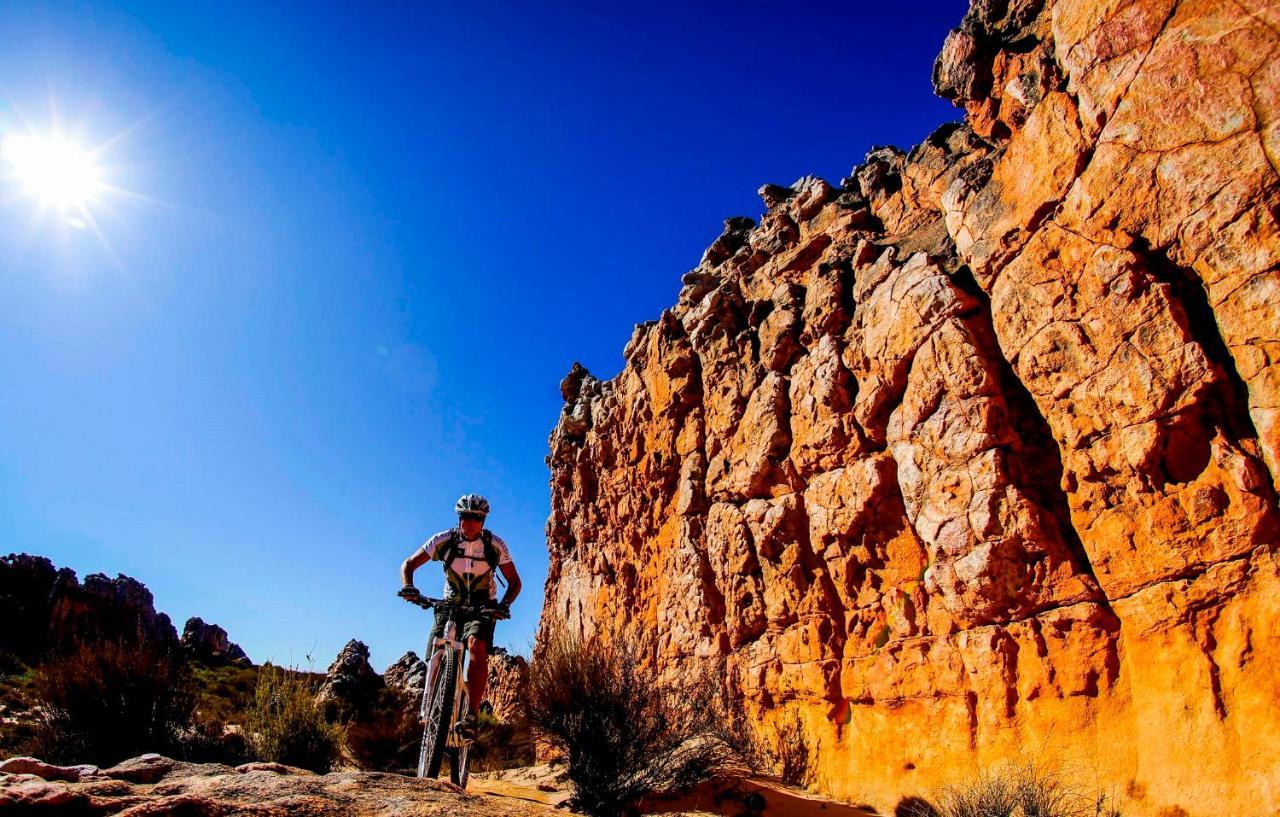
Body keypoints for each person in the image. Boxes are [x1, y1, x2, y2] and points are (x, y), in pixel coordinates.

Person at [398, 493, 521, 738]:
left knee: (477, 646)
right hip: (450, 603)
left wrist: (504, 604)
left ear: (483, 520)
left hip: (483, 605)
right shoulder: (444, 540)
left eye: (476, 518)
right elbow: (409, 564)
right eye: (465, 517)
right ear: (459, 518)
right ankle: (431, 702)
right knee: (436, 649)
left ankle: (471, 716)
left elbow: (514, 582)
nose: (470, 522)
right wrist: (409, 585)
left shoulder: (495, 545)